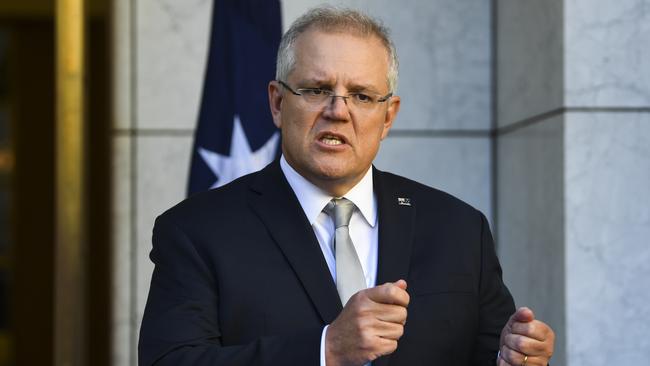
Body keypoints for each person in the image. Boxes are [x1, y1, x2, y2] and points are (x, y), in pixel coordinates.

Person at [139, 6, 555, 366]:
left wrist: (513, 357)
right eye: (318, 89)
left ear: (388, 117)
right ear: (278, 103)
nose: (338, 111)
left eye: (361, 95)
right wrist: (325, 351)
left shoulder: (459, 229)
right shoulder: (197, 230)